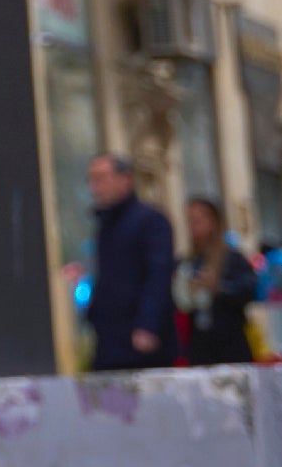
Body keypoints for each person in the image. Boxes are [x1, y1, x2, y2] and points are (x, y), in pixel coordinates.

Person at [85, 153, 178, 371]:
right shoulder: (105, 225)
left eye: (102, 178)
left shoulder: (150, 221)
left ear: (124, 179)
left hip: (142, 340)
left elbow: (159, 275)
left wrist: (148, 325)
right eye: (92, 180)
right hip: (110, 339)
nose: (95, 187)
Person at [180, 195, 258, 366]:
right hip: (200, 343)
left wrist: (218, 287)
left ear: (212, 221)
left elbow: (249, 289)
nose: (193, 226)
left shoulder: (232, 258)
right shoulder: (188, 262)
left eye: (198, 220)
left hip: (230, 341)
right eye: (190, 221)